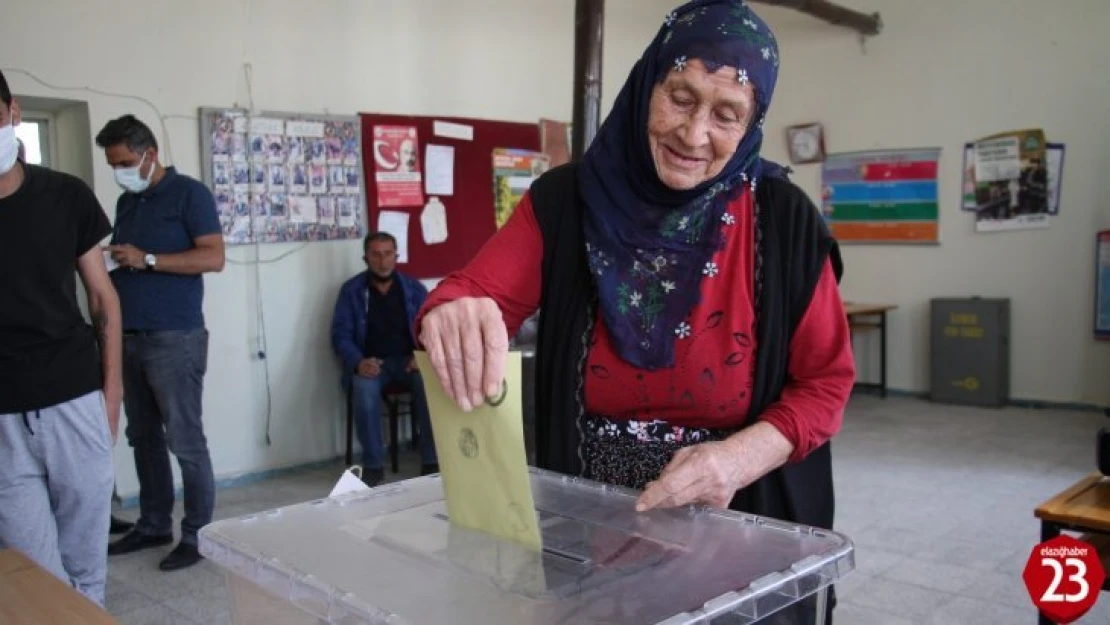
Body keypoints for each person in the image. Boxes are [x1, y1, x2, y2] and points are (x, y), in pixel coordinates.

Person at [416, 2, 854, 623]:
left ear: (753, 123)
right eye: (680, 97)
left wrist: (736, 458)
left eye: (726, 114)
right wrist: (453, 311)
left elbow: (826, 383)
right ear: (649, 81)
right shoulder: (566, 203)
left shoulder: (784, 222)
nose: (694, 134)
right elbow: (467, 292)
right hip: (588, 525)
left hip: (739, 522)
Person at [0, 69, 121, 606]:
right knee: (34, 572)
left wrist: (111, 392)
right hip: (3, 417)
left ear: (13, 113)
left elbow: (102, 298)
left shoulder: (65, 195)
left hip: (73, 401)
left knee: (86, 568)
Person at [95, 114, 225, 572]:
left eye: (126, 161)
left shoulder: (190, 194)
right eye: (113, 164)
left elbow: (214, 256)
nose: (120, 171)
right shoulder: (127, 202)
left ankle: (198, 536)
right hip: (128, 336)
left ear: (150, 154)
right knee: (142, 437)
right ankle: (153, 524)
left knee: (185, 441)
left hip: (175, 337)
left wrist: (147, 259)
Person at [331, 232, 439, 486]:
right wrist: (358, 362)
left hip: (408, 362)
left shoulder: (414, 289)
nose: (383, 261)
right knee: (363, 387)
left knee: (430, 382)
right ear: (365, 258)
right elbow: (340, 336)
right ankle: (373, 465)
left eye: (388, 254)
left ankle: (432, 460)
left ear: (396, 256)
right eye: (376, 255)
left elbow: (432, 329)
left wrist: (422, 355)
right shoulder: (352, 291)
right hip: (372, 363)